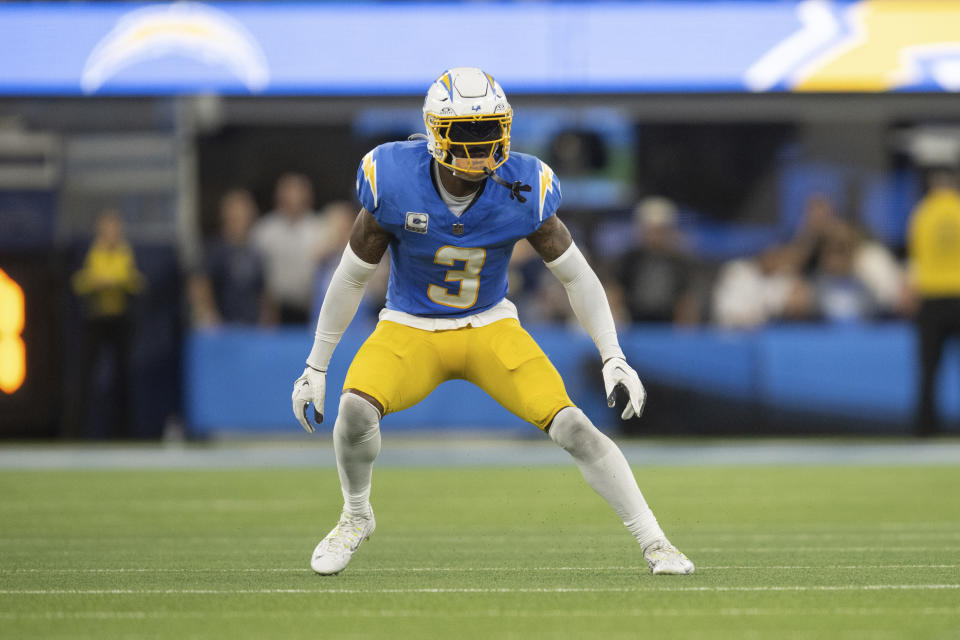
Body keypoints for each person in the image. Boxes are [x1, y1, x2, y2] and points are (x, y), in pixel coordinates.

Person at [291, 68, 694, 577]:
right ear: (436, 131)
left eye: (490, 129)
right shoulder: (392, 179)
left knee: (574, 426)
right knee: (353, 412)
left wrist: (614, 356)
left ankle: (655, 542)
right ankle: (355, 515)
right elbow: (350, 278)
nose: (481, 143)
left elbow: (579, 278)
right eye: (466, 131)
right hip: (409, 327)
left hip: (490, 327)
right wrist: (317, 365)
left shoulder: (524, 185)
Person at [65, 209, 145, 438]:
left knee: (123, 379)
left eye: (114, 228)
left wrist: (117, 280)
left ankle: (125, 434)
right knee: (84, 378)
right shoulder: (90, 252)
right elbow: (78, 282)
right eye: (106, 228)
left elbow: (137, 282)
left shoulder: (126, 252)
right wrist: (96, 281)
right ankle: (73, 433)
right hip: (95, 319)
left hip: (119, 321)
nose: (111, 233)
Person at [907, 168, 960, 437]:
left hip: (932, 297)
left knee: (929, 369)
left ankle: (925, 429)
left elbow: (915, 258)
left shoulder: (923, 213)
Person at [252, 173, 330, 325]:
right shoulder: (264, 231)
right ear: (278, 195)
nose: (293, 197)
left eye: (298, 191)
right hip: (274, 309)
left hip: (310, 307)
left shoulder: (320, 228)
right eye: (288, 192)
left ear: (307, 196)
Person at [616, 197, 700, 325]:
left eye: (659, 231)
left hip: (670, 322)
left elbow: (688, 298)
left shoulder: (682, 261)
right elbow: (615, 292)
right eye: (650, 230)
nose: (654, 236)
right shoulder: (628, 259)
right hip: (633, 321)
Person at [188, 189, 266, 327]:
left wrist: (266, 322)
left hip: (251, 329)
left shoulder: (255, 253)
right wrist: (209, 317)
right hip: (224, 330)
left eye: (245, 212)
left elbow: (262, 293)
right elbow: (199, 284)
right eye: (236, 213)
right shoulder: (214, 250)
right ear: (225, 215)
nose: (241, 217)